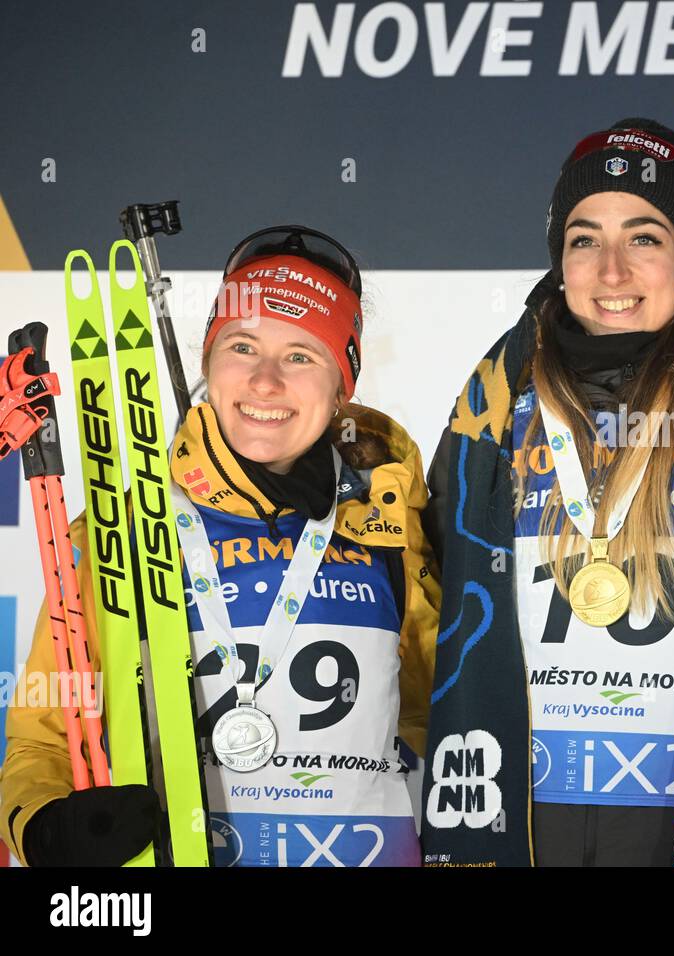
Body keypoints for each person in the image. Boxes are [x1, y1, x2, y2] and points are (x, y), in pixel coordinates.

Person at [0, 225, 440, 867]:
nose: (265, 381)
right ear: (207, 362)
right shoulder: (114, 535)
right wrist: (45, 829)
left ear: (341, 385)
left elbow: (440, 725)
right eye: (242, 345)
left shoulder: (391, 532)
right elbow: (41, 743)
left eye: (301, 355)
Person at [419, 119, 674, 866]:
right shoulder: (497, 394)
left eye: (644, 237)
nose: (611, 271)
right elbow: (434, 589)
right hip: (519, 813)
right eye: (583, 239)